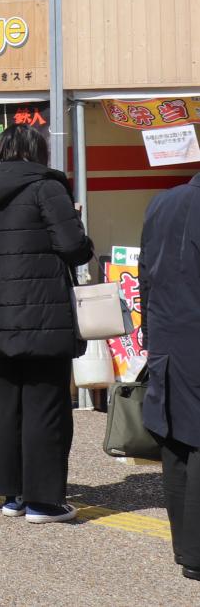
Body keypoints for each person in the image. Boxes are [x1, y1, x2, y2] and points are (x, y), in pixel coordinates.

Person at [0, 125, 93, 523]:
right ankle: (43, 502)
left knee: (7, 403)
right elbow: (73, 248)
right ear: (37, 151)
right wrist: (77, 224)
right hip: (44, 313)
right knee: (46, 403)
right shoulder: (46, 186)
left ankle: (12, 495)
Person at [141, 163, 200, 581]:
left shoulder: (162, 203)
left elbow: (144, 273)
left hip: (166, 337)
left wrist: (150, 333)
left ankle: (186, 549)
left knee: (175, 439)